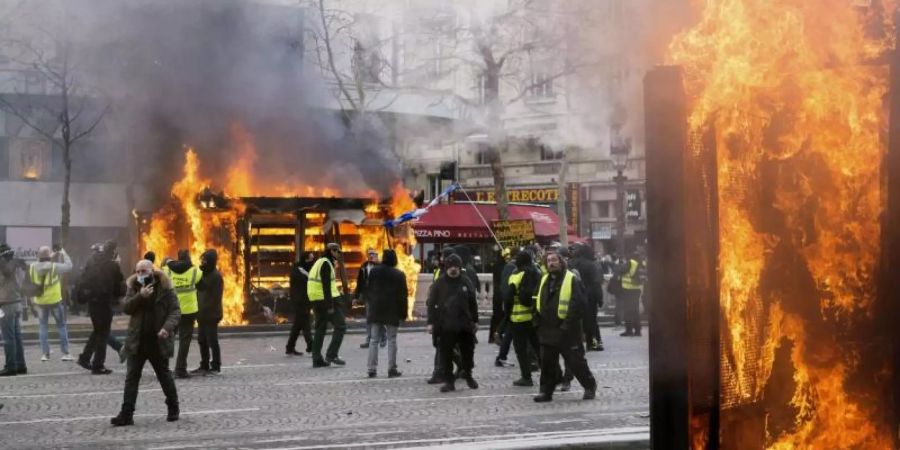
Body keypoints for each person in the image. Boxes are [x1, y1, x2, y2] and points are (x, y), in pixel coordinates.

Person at [110, 260, 180, 426]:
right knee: (132, 377)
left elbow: (175, 311)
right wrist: (140, 296)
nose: (141, 274)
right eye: (138, 271)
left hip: (158, 340)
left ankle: (173, 407)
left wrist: (166, 328)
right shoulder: (133, 285)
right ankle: (126, 414)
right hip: (137, 340)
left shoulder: (165, 286)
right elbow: (126, 307)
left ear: (152, 271)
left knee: (164, 375)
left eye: (144, 271)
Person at [533, 252, 597, 402]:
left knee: (576, 362)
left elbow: (579, 304)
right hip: (547, 329)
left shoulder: (571, 279)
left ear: (561, 262)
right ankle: (546, 392)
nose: (551, 263)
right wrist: (536, 322)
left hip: (568, 330)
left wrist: (566, 325)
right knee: (547, 364)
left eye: (554, 260)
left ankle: (589, 385)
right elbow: (535, 300)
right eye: (548, 261)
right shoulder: (543, 280)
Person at [427, 254, 479, 393]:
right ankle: (449, 382)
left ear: (460, 267)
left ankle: (468, 375)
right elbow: (431, 304)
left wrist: (475, 320)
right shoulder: (439, 283)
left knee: (468, 352)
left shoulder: (466, 281)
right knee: (446, 354)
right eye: (450, 267)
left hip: (465, 324)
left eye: (456, 266)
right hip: (445, 325)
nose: (453, 269)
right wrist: (430, 323)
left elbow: (473, 302)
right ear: (446, 267)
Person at [78, 240, 125, 375]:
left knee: (98, 331)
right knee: (103, 334)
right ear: (113, 252)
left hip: (92, 302)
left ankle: (85, 358)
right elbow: (118, 286)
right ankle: (98, 365)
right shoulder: (112, 266)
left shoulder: (92, 261)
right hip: (104, 303)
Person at [365, 249, 408, 378]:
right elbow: (403, 296)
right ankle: (391, 368)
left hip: (376, 308)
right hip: (392, 310)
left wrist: (371, 304)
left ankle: (371, 369)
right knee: (392, 340)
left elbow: (369, 289)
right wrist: (403, 314)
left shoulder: (374, 271)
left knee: (373, 340)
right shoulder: (399, 274)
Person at [30, 246, 74, 362]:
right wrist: (63, 252)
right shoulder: (54, 267)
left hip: (40, 301)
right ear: (49, 256)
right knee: (61, 326)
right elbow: (69, 266)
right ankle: (65, 353)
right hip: (54, 301)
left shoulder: (32, 267)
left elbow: (40, 264)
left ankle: (45, 354)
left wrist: (48, 255)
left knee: (43, 326)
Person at [164, 249, 203, 378]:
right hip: (189, 311)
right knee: (184, 341)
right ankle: (180, 369)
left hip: (172, 310)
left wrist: (168, 262)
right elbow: (200, 277)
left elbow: (160, 271)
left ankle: (163, 367)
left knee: (168, 338)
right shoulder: (194, 271)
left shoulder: (167, 270)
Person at [505, 251, 542, 387]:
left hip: (518, 318)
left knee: (521, 349)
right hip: (534, 317)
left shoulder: (516, 274)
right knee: (538, 347)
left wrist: (506, 315)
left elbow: (509, 297)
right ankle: (551, 374)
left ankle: (526, 377)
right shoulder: (538, 273)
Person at [308, 243, 347, 367]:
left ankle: (317, 359)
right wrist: (330, 306)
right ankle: (332, 355)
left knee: (320, 328)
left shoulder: (319, 262)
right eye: (337, 252)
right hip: (327, 300)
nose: (338, 254)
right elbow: (326, 286)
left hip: (316, 299)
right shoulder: (326, 263)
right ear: (331, 251)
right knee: (341, 326)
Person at [568, 243, 604, 351]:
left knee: (575, 321)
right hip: (589, 297)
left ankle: (575, 344)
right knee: (591, 321)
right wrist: (600, 299)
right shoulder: (591, 264)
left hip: (573, 296)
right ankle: (591, 342)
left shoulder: (570, 263)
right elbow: (596, 283)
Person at [192, 249, 223, 375]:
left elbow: (216, 298)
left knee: (212, 340)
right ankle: (204, 365)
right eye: (202, 259)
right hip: (201, 314)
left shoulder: (216, 276)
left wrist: (204, 310)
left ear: (210, 261)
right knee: (202, 340)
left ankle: (215, 365)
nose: (202, 262)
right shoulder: (201, 274)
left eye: (204, 260)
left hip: (211, 314)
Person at [0, 244, 27, 376]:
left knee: (8, 337)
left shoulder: (5, 266)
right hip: (16, 303)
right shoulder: (15, 265)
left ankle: (10, 366)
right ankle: (20, 365)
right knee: (16, 337)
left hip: (7, 304)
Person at [286, 253, 315, 356]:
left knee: (297, 326)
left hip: (305, 301)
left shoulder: (305, 269)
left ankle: (290, 347)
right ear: (306, 259)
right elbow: (305, 283)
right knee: (305, 324)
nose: (313, 261)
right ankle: (311, 346)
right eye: (311, 259)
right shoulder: (298, 270)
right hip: (300, 301)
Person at [356, 248, 384, 349]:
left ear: (377, 256)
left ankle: (382, 338)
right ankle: (369, 340)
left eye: (374, 254)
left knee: (379, 318)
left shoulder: (381, 267)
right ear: (367, 256)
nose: (371, 256)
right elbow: (359, 282)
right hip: (368, 296)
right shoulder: (363, 267)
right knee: (369, 318)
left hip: (379, 296)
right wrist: (357, 296)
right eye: (370, 254)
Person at [617, 252, 645, 337]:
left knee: (628, 311)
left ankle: (629, 330)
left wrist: (621, 264)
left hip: (629, 289)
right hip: (637, 289)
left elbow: (621, 270)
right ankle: (637, 330)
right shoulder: (642, 263)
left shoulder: (631, 262)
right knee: (635, 311)